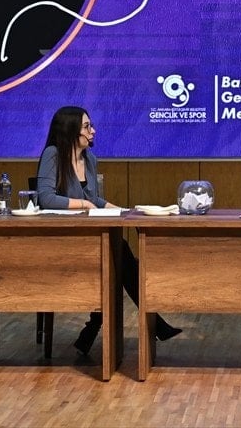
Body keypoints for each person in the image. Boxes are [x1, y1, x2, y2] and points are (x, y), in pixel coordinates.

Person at [36, 105, 182, 354]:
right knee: (119, 255)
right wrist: (83, 204)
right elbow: (46, 198)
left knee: (117, 256)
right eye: (86, 126)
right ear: (70, 130)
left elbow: (94, 199)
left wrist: (124, 210)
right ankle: (151, 323)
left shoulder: (90, 159)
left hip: (91, 237)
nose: (92, 131)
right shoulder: (53, 155)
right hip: (62, 240)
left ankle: (93, 329)